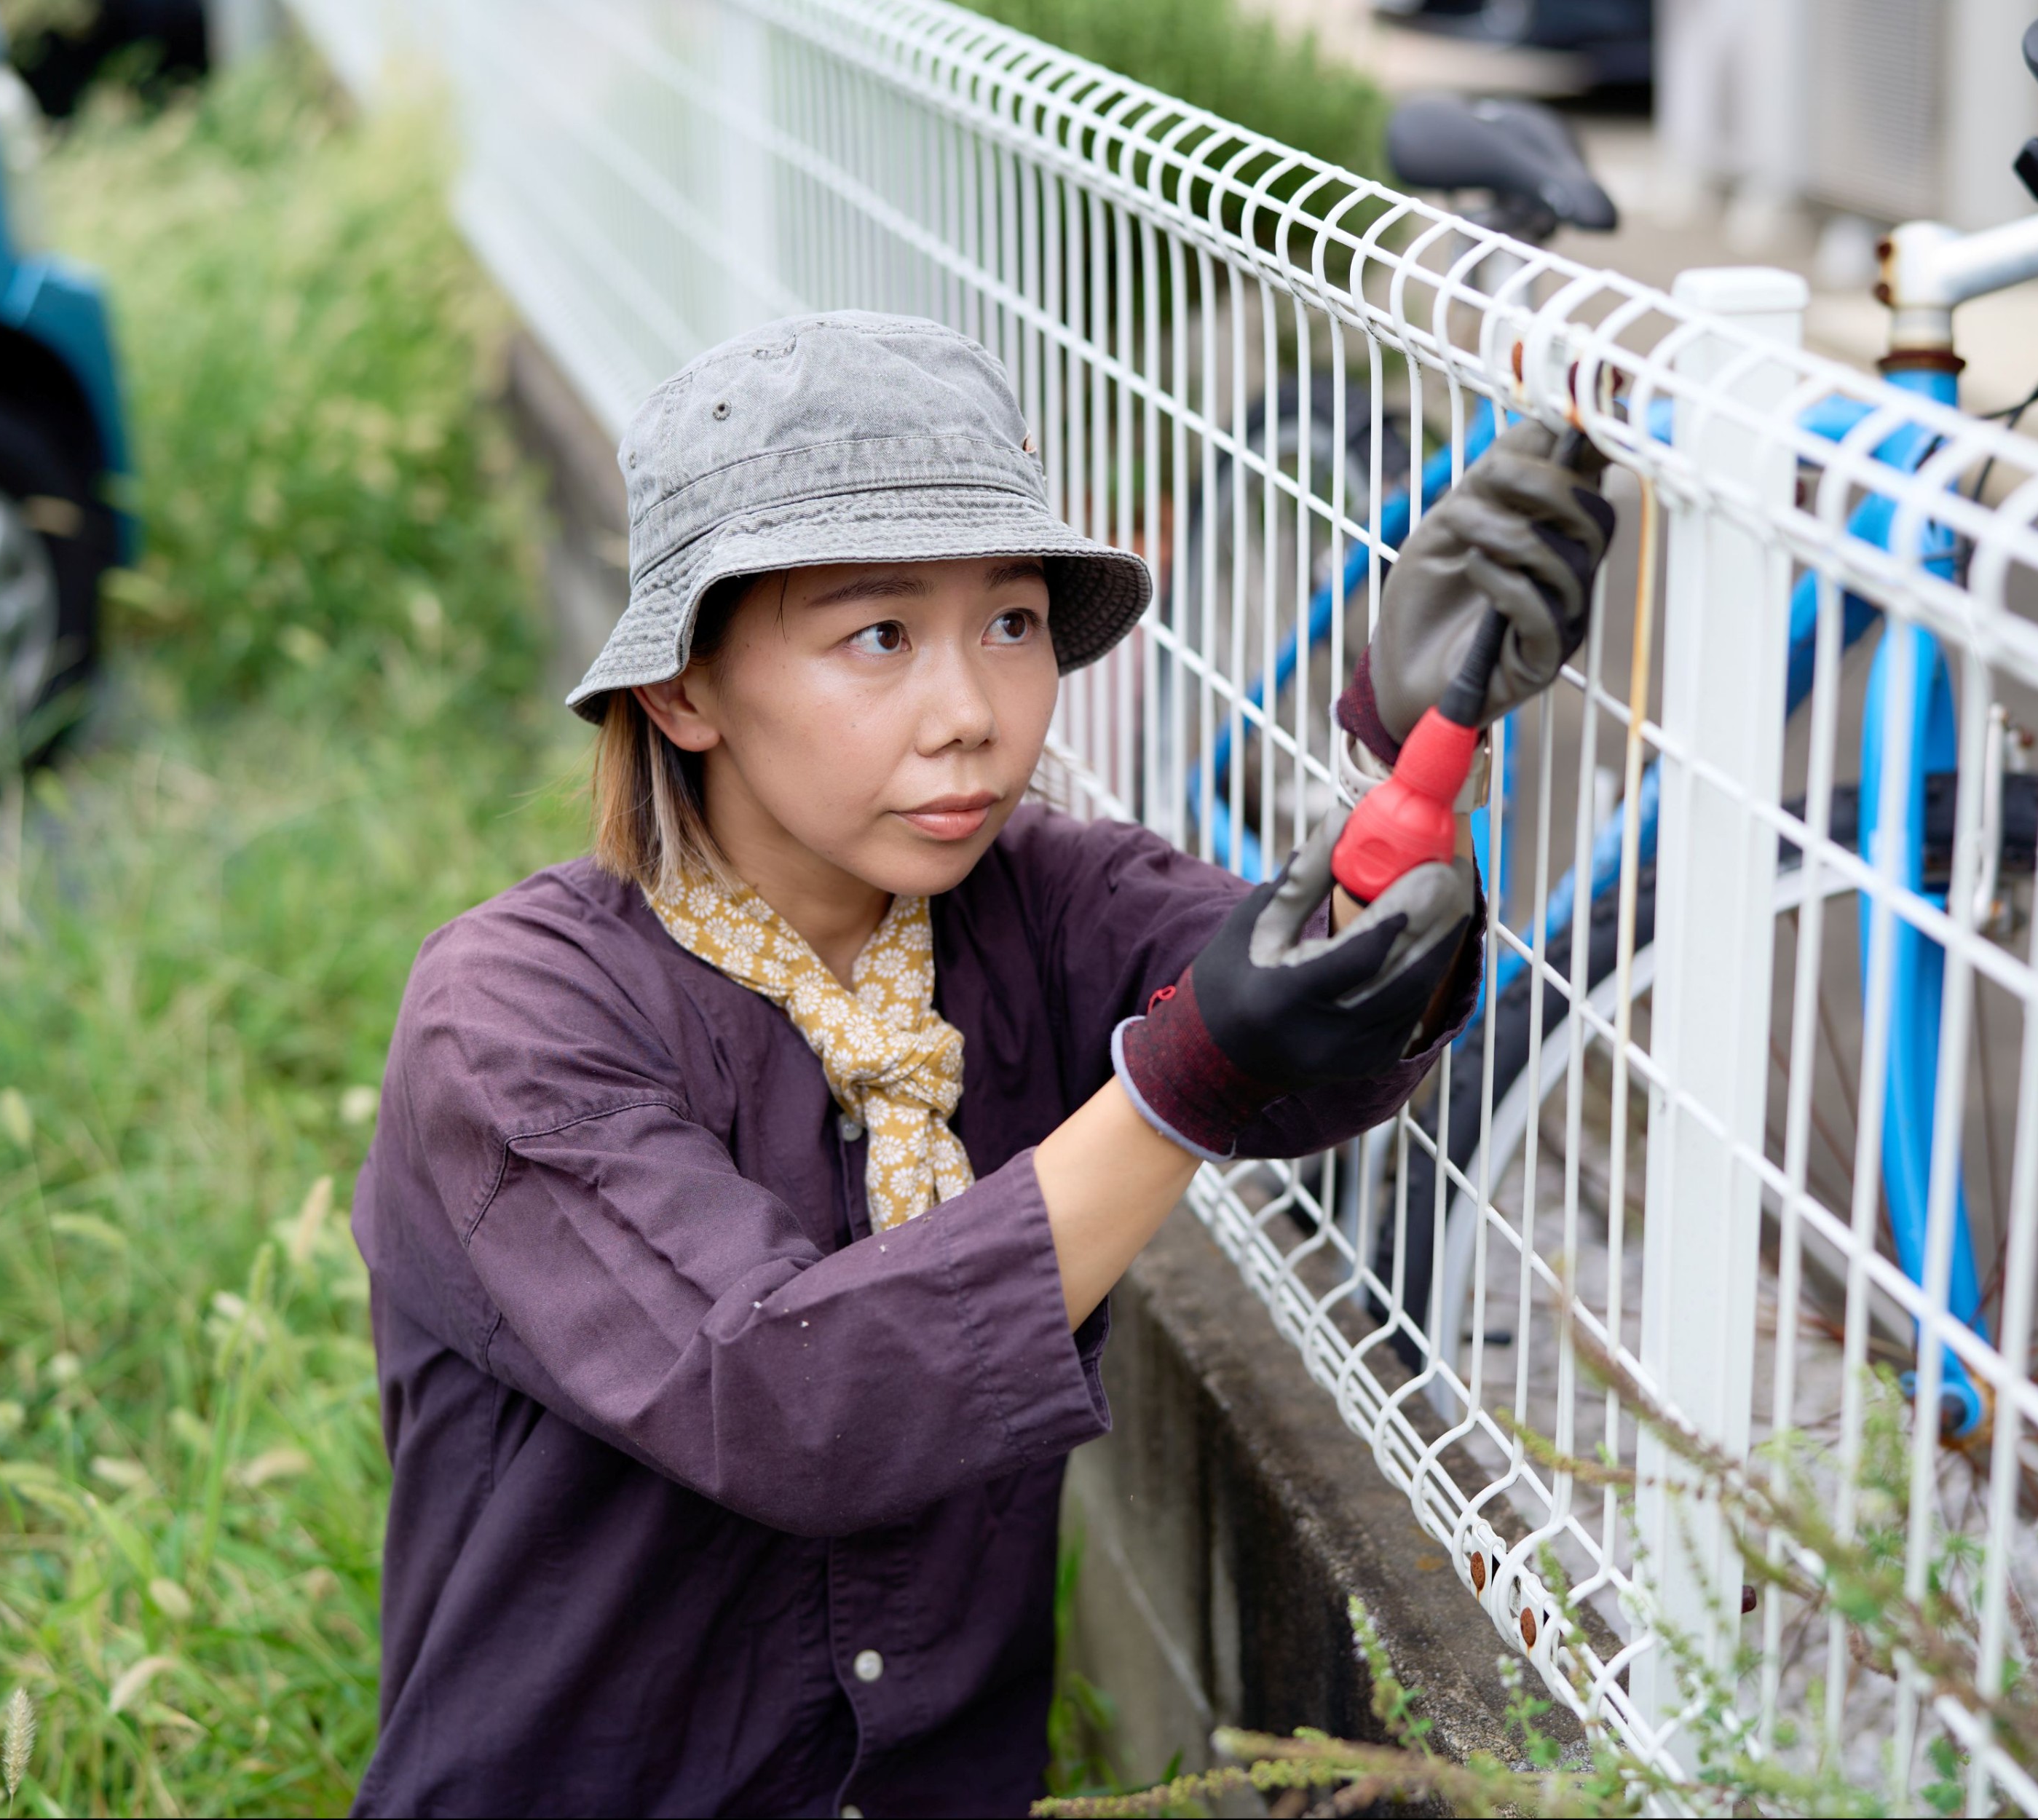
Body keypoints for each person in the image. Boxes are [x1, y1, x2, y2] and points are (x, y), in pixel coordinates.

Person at [348, 311, 1614, 1817]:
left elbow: (1311, 1030)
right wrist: (1171, 1090)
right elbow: (786, 1394)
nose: (972, 714)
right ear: (684, 689)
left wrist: (1416, 744)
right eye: (878, 634)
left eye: (1011, 623)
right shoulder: (513, 1018)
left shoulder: (1040, 900)